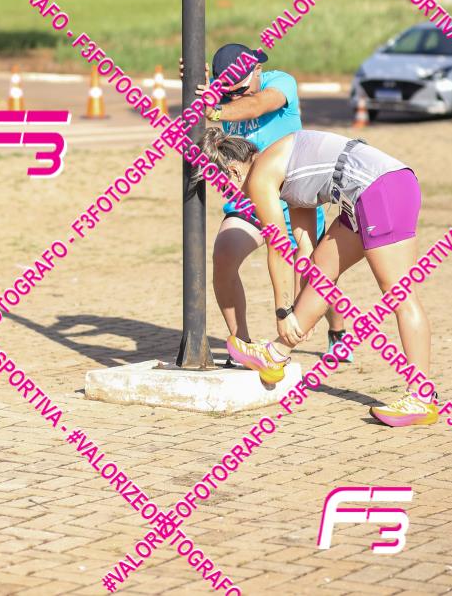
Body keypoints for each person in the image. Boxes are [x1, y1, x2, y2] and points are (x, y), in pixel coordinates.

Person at [196, 126, 436, 427]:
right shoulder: (282, 172)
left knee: (399, 294)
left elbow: (278, 247)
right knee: (323, 266)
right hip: (366, 194)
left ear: (233, 171)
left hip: (381, 188)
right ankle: (276, 354)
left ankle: (421, 398)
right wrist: (301, 313)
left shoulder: (260, 178)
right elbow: (305, 251)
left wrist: (284, 312)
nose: (229, 194)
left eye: (223, 186)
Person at [180, 43, 351, 363]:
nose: (235, 96)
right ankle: (242, 345)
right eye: (228, 91)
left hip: (293, 199)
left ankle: (338, 331)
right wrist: (193, 77)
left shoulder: (281, 84)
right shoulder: (226, 92)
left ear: (257, 70)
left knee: (313, 279)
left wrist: (215, 110)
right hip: (248, 199)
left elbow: (257, 105)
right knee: (223, 256)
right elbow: (212, 93)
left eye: (240, 89)